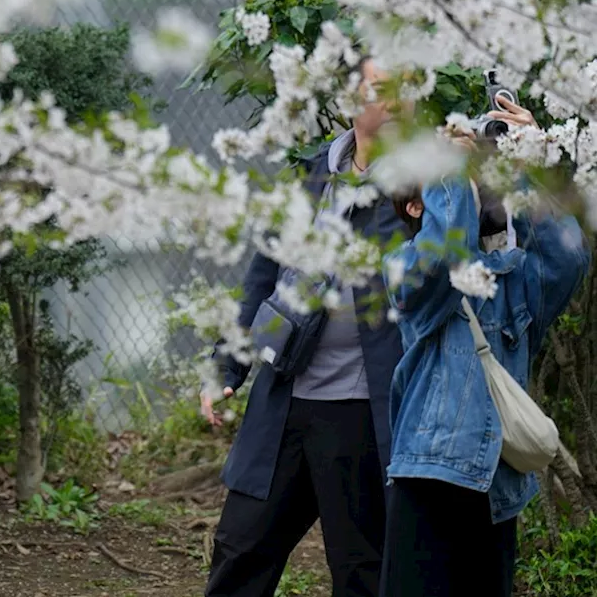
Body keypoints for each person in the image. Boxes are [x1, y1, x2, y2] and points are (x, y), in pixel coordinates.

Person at [201, 58, 407, 597]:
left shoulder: (418, 190)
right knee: (239, 549)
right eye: (380, 90)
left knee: (361, 567)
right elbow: (260, 278)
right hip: (283, 398)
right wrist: (226, 365)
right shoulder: (313, 175)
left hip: (361, 411)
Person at [380, 107, 590, 597]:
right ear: (417, 206)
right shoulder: (403, 267)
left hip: (498, 487)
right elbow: (443, 260)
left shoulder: (513, 280)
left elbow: (570, 254)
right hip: (429, 476)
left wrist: (528, 163)